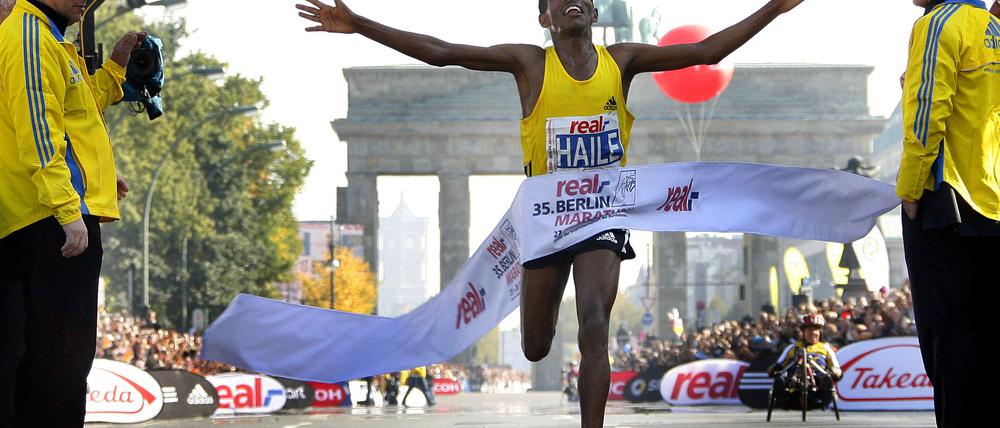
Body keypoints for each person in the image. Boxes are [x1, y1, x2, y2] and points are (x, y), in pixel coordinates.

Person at [295, 0, 805, 425]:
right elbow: (442, 52)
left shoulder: (622, 60)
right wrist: (360, 24)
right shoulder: (529, 64)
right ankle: (544, 332)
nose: (572, 0)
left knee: (594, 323)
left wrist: (774, 9)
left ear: (595, 12)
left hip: (602, 213)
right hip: (545, 218)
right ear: (546, 19)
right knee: (536, 345)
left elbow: (706, 51)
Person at [0, 0, 143, 425]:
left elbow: (76, 114)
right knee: (58, 361)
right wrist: (66, 209)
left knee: (60, 358)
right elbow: (38, 129)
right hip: (46, 219)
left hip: (52, 213)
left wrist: (115, 72)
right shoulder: (29, 36)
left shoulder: (50, 37)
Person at [898, 1, 999, 426]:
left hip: (947, 202)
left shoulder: (937, 23)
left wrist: (910, 187)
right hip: (992, 199)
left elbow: (927, 110)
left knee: (947, 340)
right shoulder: (993, 26)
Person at [767, 314, 841, 410]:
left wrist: (836, 372)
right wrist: (773, 369)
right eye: (809, 330)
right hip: (794, 381)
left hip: (818, 382)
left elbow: (836, 367)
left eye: (816, 330)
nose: (813, 333)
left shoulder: (825, 348)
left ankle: (827, 394)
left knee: (827, 378)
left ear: (820, 332)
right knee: (781, 378)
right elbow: (779, 364)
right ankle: (781, 396)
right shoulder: (792, 348)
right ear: (803, 332)